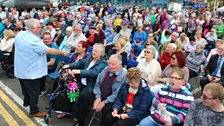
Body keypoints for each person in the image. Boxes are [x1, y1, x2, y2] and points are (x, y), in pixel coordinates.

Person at [14, 19, 69, 117]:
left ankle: (26, 102)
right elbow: (48, 50)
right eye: (39, 27)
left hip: (21, 69)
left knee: (25, 88)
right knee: (34, 91)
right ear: (32, 28)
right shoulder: (33, 40)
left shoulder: (20, 35)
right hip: (31, 71)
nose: (41, 29)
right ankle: (34, 111)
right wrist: (62, 52)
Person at [74, 54, 127, 126]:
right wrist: (98, 97)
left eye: (113, 64)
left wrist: (104, 102)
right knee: (83, 97)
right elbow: (97, 83)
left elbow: (117, 94)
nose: (110, 66)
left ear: (120, 64)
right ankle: (80, 122)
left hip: (111, 99)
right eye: (109, 63)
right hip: (100, 93)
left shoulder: (124, 75)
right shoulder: (106, 69)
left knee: (107, 111)